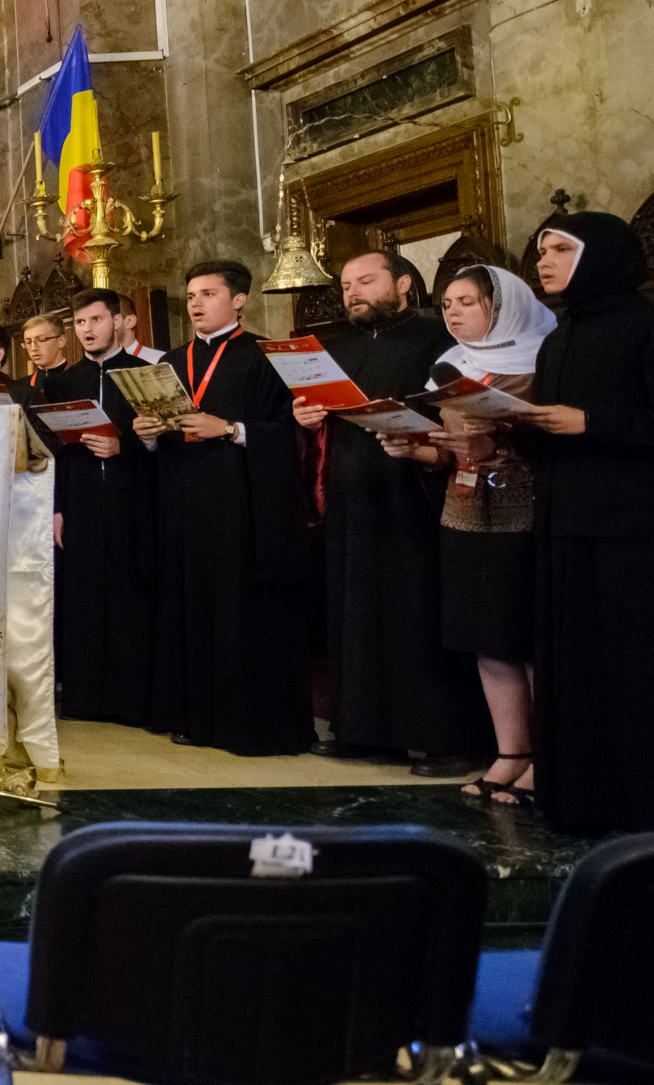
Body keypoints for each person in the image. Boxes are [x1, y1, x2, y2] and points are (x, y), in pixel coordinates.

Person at [291, 252, 480, 772]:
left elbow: (458, 414)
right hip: (351, 498)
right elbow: (317, 423)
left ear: (402, 284)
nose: (352, 291)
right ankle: (364, 731)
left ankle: (444, 738)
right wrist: (305, 418)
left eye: (366, 281)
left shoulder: (438, 339)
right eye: (346, 284)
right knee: (356, 614)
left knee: (420, 614)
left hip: (417, 496)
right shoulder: (335, 348)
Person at [376, 265, 556, 804]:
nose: (452, 312)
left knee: (527, 639)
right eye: (447, 303)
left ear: (502, 305)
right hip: (464, 513)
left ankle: (548, 760)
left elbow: (561, 448)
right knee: (485, 638)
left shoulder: (544, 361)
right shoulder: (450, 367)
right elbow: (448, 455)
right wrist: (414, 447)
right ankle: (511, 753)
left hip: (527, 513)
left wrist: (502, 439)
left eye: (467, 302)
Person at [132, 260, 312, 754]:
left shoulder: (266, 356)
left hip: (244, 505)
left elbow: (294, 433)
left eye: (208, 294)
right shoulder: (170, 361)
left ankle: (244, 724)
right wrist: (147, 434)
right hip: (184, 504)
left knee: (239, 612)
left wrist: (231, 430)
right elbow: (158, 440)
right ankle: (193, 717)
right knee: (189, 607)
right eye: (191, 295)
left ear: (238, 300)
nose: (195, 303)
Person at [519, 213, 654, 832]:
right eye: (541, 250)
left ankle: (636, 802)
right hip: (563, 523)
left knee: (629, 667)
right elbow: (553, 433)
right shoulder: (558, 337)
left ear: (599, 257)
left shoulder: (643, 328)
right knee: (573, 668)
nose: (543, 261)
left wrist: (591, 423)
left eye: (559, 249)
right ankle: (580, 796)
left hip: (630, 528)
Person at [48, 288, 157, 725]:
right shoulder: (64, 381)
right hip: (80, 501)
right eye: (80, 323)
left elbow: (168, 440)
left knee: (132, 597)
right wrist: (56, 508)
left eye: (95, 320)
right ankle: (84, 697)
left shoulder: (145, 373)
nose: (87, 329)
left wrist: (123, 446)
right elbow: (54, 451)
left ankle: (132, 700)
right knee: (83, 598)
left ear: (118, 322)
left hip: (133, 499)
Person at [21, 314, 74, 398]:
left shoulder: (81, 380)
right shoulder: (20, 387)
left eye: (41, 340)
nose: (33, 348)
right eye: (28, 342)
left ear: (61, 341)